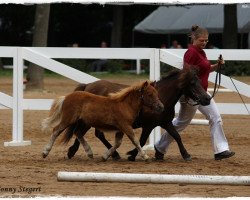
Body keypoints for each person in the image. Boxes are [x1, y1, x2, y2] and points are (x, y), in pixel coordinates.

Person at [154, 25, 235, 161]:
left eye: (206, 41)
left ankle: (221, 150)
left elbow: (205, 70)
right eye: (201, 40)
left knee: (216, 118)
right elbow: (187, 75)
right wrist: (187, 95)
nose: (204, 43)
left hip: (202, 94)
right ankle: (160, 147)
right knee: (181, 123)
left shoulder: (201, 52)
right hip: (192, 95)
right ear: (194, 39)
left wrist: (217, 65)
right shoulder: (191, 53)